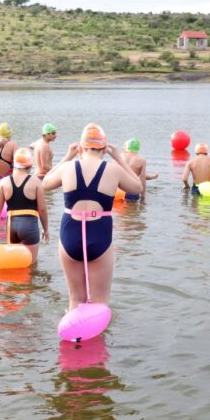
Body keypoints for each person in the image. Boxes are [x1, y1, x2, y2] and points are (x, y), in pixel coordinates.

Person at [42, 124, 142, 310]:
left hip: (70, 235)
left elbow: (45, 182)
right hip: (99, 235)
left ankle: (73, 337)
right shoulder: (113, 169)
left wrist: (67, 156)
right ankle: (99, 337)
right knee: (100, 303)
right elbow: (138, 187)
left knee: (75, 300)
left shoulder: (67, 167)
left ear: (80, 148)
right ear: (104, 149)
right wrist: (119, 158)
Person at [0, 148, 49, 262]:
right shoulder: (35, 181)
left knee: (14, 262)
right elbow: (42, 209)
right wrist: (46, 230)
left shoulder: (4, 182)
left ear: (14, 165)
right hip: (29, 225)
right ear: (30, 165)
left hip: (11, 225)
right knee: (30, 264)